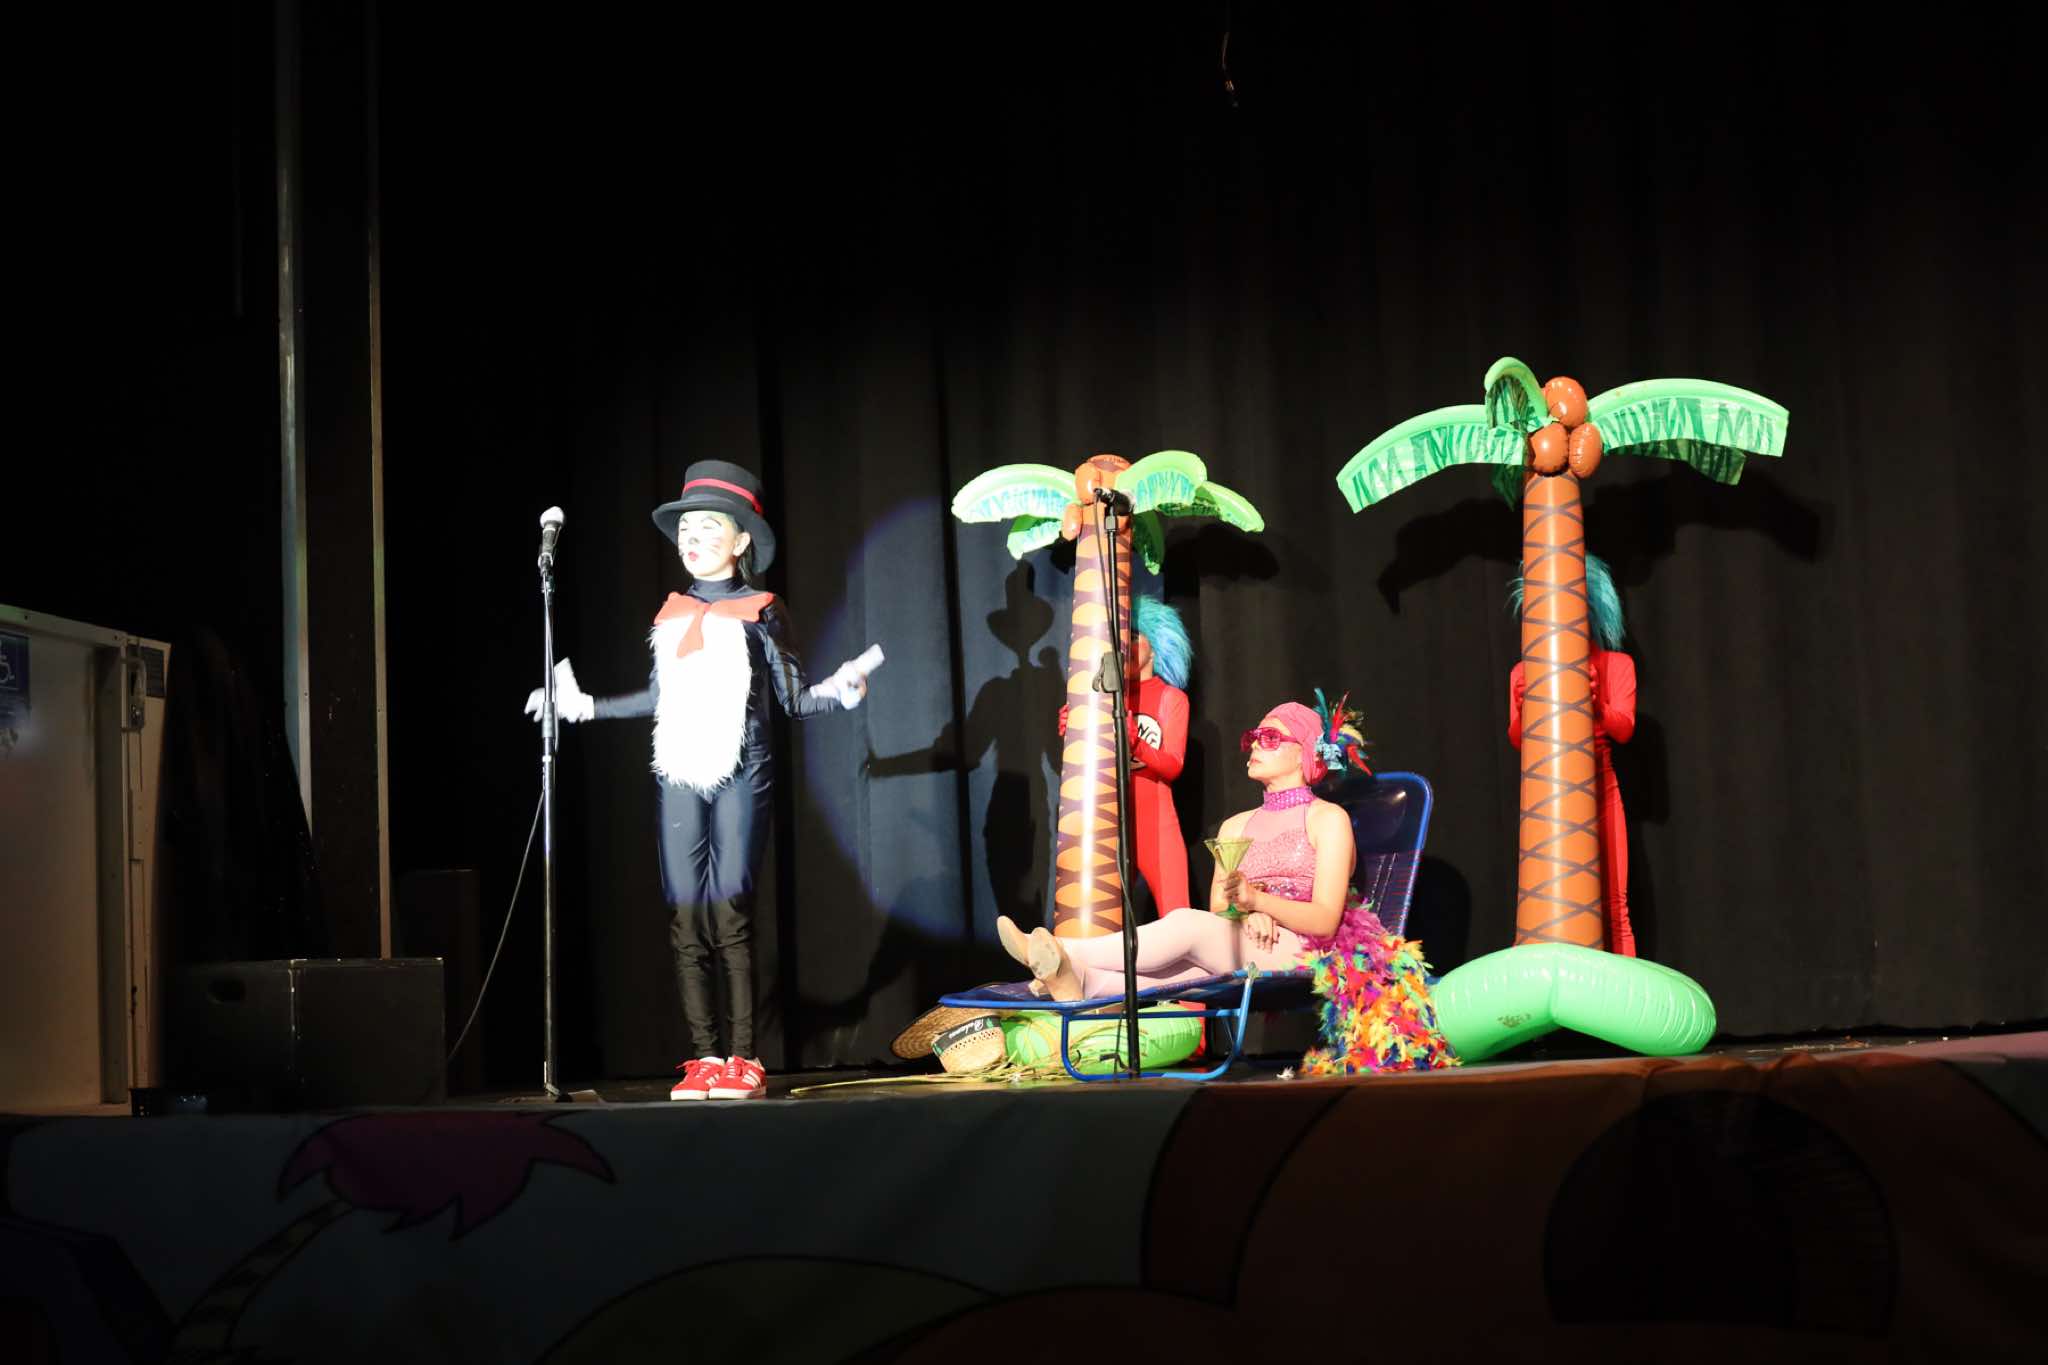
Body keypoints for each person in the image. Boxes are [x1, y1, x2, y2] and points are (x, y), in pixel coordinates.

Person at [526, 460, 871, 1100]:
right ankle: (704, 1056)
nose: (692, 538)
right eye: (686, 528)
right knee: (685, 916)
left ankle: (744, 1058)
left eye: (709, 526)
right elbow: (661, 700)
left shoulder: (763, 610)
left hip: (743, 771)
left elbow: (795, 700)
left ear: (741, 541)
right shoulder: (671, 612)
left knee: (729, 914)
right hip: (679, 771)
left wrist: (841, 691)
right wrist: (583, 707)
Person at [996, 695, 1457, 1074]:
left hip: (1307, 950)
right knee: (1177, 970)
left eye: (1270, 738)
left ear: (1305, 751)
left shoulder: (1327, 819)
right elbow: (1222, 906)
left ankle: (1063, 950)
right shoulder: (1235, 825)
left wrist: (1259, 901)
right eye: (1253, 737)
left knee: (1186, 925)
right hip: (1245, 941)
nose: (1255, 745)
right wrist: (1248, 911)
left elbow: (1324, 919)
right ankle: (1075, 977)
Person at [1507, 554, 1637, 956]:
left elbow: (1625, 729)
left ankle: (1624, 992)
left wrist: (1596, 702)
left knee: (1614, 904)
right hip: (1545, 798)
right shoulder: (1523, 671)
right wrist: (1524, 708)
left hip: (1602, 788)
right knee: (1539, 907)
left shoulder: (1616, 664)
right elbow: (1518, 741)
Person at [1055, 595, 1193, 918]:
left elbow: (1173, 765)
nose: (1125, 645)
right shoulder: (1104, 696)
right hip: (1106, 820)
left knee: (1178, 916)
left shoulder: (1172, 698)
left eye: (1134, 636)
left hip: (1154, 822)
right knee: (1097, 916)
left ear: (1156, 647)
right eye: (1121, 637)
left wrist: (1137, 744)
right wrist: (1076, 732)